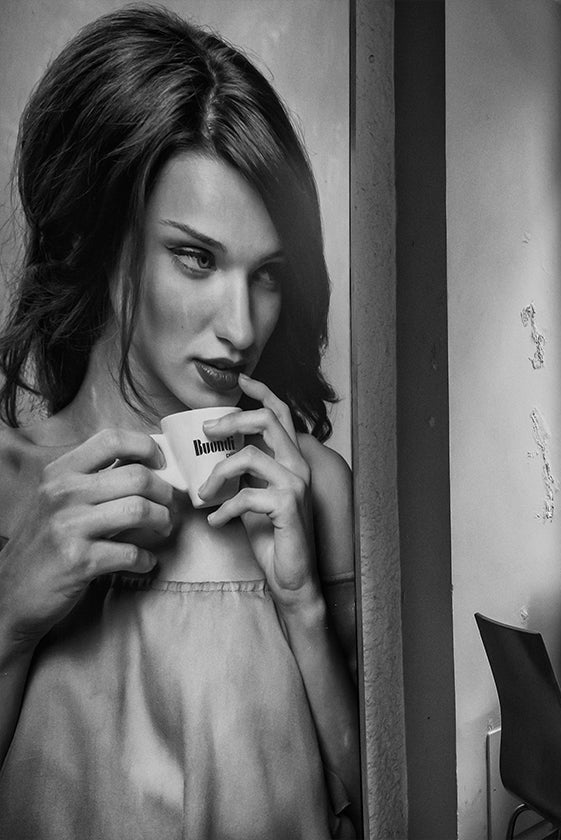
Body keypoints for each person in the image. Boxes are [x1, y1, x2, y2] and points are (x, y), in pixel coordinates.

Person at [0, 7, 360, 837]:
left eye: (266, 274)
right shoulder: (7, 482)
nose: (240, 326)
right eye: (196, 257)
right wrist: (9, 617)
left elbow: (383, 805)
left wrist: (302, 606)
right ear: (103, 240)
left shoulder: (315, 491)